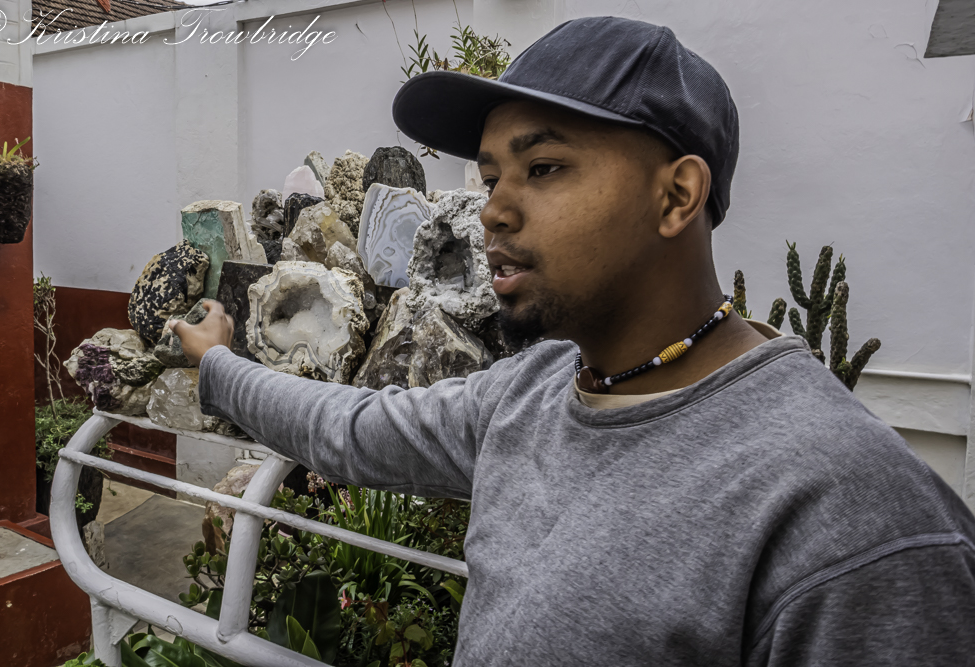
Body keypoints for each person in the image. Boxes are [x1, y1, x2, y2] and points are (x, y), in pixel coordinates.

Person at [169, 16, 975, 666]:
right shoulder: (536, 388)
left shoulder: (851, 511)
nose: (492, 210)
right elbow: (349, 429)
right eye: (491, 178)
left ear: (677, 196)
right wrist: (219, 363)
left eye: (545, 167)